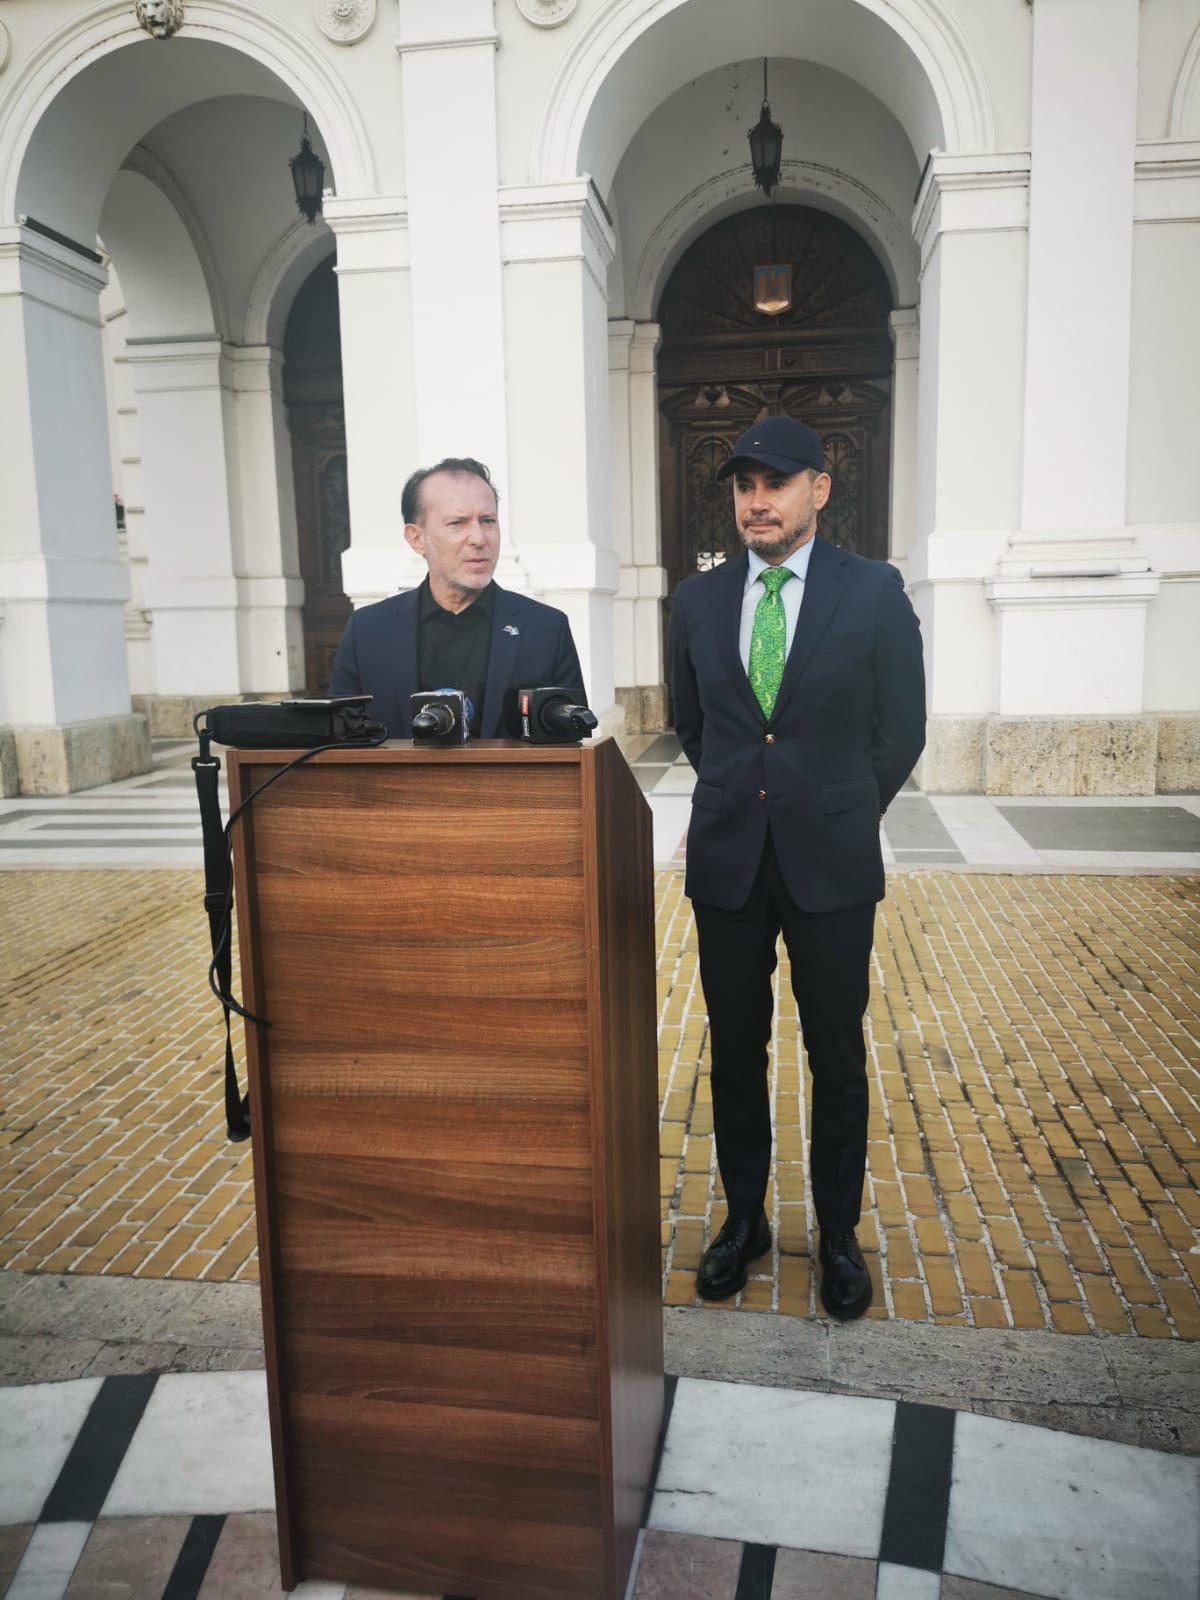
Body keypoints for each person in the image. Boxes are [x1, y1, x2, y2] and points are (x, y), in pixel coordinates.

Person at [668, 416, 926, 1319]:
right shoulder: (696, 601)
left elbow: (902, 727)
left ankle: (838, 1233)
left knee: (836, 1053)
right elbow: (695, 725)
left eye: (775, 484)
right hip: (731, 860)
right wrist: (746, 794)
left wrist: (840, 806)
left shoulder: (873, 591)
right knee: (736, 1051)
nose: (757, 501)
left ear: (818, 488)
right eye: (745, 486)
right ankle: (743, 1220)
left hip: (832, 863)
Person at [329, 457, 586, 736]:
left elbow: (571, 745)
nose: (479, 538)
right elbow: (342, 742)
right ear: (416, 538)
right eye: (457, 523)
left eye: (488, 521)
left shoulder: (545, 629)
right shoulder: (368, 631)